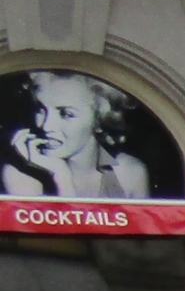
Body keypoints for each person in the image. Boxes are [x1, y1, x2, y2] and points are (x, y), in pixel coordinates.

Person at [4, 71, 151, 199]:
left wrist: (63, 178)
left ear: (99, 120)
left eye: (66, 114)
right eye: (40, 110)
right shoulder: (19, 176)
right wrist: (62, 175)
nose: (46, 126)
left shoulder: (129, 173)